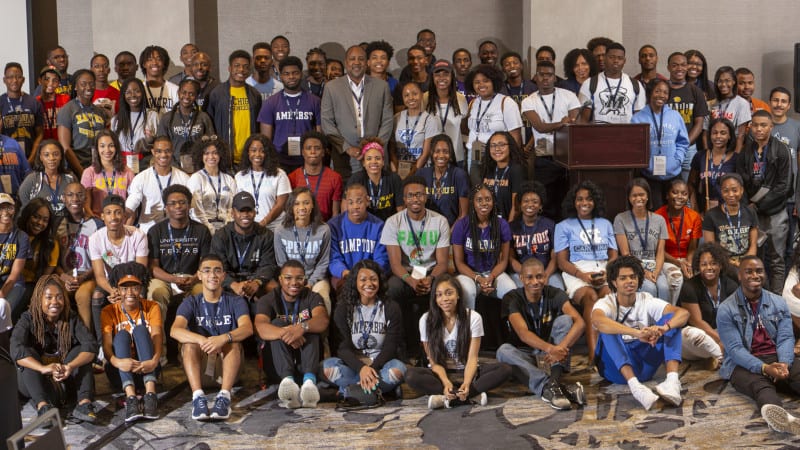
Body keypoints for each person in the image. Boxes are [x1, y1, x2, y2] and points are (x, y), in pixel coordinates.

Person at [592, 256, 688, 410]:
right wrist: (636, 333)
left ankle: (672, 381)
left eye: (633, 277)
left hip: (644, 366)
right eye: (623, 278)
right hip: (615, 369)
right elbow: (598, 322)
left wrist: (663, 328)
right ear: (614, 282)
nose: (629, 281)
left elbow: (683, 313)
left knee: (672, 319)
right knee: (608, 327)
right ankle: (635, 387)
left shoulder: (646, 299)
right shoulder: (606, 302)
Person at [717, 256, 800, 434]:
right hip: (743, 362)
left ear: (765, 274)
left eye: (759, 271)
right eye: (749, 271)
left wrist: (784, 363)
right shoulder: (726, 309)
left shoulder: (778, 302)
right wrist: (765, 368)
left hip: (776, 356)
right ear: (739, 276)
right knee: (761, 386)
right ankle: (782, 419)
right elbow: (735, 350)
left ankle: (782, 374)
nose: (755, 275)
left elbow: (786, 337)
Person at [405, 274, 511, 409]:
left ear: (458, 295)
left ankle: (450, 397)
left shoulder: (473, 317)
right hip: (441, 374)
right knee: (411, 376)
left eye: (449, 293)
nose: (445, 298)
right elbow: (433, 361)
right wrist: (445, 383)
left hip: (467, 371)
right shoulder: (426, 320)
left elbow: (473, 358)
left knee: (504, 369)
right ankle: (469, 395)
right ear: (435, 299)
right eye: (439, 295)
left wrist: (467, 382)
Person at [171, 255, 254, 421]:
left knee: (234, 342)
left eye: (217, 271)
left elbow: (247, 328)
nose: (213, 275)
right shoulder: (190, 302)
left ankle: (224, 397)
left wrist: (224, 338)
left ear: (224, 276)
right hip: (200, 368)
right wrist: (202, 339)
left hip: (226, 369)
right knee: (189, 344)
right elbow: (175, 330)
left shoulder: (236, 301)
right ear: (199, 275)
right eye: (207, 271)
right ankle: (198, 397)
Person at [496, 258, 585, 409]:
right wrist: (551, 349)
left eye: (539, 276)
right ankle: (552, 387)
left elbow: (580, 322)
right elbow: (523, 333)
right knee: (503, 351)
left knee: (565, 320)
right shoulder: (511, 298)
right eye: (530, 277)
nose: (535, 281)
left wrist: (560, 348)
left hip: (552, 356)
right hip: (527, 354)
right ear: (521, 279)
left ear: (545, 277)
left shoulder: (555, 293)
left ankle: (554, 380)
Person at [11, 275, 98, 422]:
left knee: (81, 350)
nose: (54, 302)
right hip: (39, 384)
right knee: (27, 353)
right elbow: (15, 348)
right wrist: (42, 368)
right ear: (39, 299)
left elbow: (91, 345)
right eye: (49, 297)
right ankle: (43, 408)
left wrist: (70, 366)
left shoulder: (70, 317)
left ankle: (84, 404)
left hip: (64, 380)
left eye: (59, 297)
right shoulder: (28, 318)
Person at [381, 175, 450, 358]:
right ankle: (399, 345)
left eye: (419, 194)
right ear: (404, 199)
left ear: (426, 196)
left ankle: (437, 346)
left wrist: (430, 278)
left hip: (432, 271)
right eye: (410, 195)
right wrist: (411, 280)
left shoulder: (440, 221)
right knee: (392, 289)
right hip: (406, 272)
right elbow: (395, 264)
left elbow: (443, 262)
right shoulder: (393, 222)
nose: (415, 199)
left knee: (443, 289)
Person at [322, 259, 406, 406]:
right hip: (354, 367)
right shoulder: (344, 308)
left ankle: (348, 390)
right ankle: (375, 391)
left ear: (380, 281)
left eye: (373, 279)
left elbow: (390, 347)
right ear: (355, 282)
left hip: (379, 367)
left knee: (399, 369)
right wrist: (361, 369)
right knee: (328, 367)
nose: (369, 284)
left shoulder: (391, 307)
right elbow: (342, 348)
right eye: (363, 279)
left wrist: (370, 370)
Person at [147, 184, 211, 363]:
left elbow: (206, 264)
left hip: (194, 278)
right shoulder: (156, 231)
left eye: (182, 202)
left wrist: (195, 277)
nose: (178, 207)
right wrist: (173, 279)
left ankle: (198, 351)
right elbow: (152, 268)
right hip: (165, 279)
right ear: (166, 208)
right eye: (173, 203)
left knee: (203, 293)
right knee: (156, 292)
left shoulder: (201, 231)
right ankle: (160, 352)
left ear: (189, 205)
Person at [555, 180, 618, 358]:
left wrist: (608, 271)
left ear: (595, 201)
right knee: (590, 297)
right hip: (576, 270)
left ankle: (612, 354)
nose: (585, 203)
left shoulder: (605, 223)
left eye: (589, 199)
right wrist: (582, 275)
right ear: (573, 202)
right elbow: (561, 262)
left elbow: (614, 255)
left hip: (604, 268)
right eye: (580, 199)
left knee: (608, 297)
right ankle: (594, 357)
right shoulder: (563, 226)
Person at [255, 260, 330, 409]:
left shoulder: (312, 297)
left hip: (306, 360)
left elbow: (322, 320)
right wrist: (288, 333)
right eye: (288, 278)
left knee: (311, 325)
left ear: (305, 280)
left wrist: (302, 327)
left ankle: (309, 383)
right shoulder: (268, 299)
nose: (294, 282)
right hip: (278, 365)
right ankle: (287, 383)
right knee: (276, 324)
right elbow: (260, 327)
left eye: (299, 278)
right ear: (280, 279)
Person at [736, 110, 791, 291]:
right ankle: (756, 297)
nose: (759, 129)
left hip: (775, 212)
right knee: (754, 258)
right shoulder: (746, 150)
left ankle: (775, 299)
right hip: (753, 213)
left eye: (763, 125)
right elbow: (741, 179)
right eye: (755, 125)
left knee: (776, 259)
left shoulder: (781, 149)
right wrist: (747, 206)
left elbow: (783, 186)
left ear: (771, 126)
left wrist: (759, 204)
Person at [321, 45, 394, 181]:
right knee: (347, 196)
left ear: (366, 63)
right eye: (352, 59)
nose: (356, 62)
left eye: (361, 59)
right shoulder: (331, 88)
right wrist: (347, 148)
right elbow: (327, 123)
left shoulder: (381, 86)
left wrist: (376, 147)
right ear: (346, 62)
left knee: (376, 196)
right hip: (344, 156)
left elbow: (388, 120)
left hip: (375, 157)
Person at [100, 262, 161, 422]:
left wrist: (154, 361)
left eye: (134, 287)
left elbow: (157, 337)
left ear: (141, 288)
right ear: (118, 290)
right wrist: (118, 362)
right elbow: (106, 346)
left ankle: (150, 395)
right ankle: (131, 398)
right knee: (121, 335)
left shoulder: (152, 307)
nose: (130, 292)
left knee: (140, 330)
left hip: (147, 367)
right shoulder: (108, 311)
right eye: (124, 288)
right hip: (121, 370)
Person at [88, 195, 149, 344]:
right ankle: (103, 345)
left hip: (134, 282)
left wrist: (125, 291)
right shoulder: (95, 239)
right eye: (108, 213)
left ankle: (142, 341)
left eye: (117, 212)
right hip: (111, 284)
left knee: (140, 295)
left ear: (124, 215)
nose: (113, 217)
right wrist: (112, 291)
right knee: (97, 296)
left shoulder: (138, 235)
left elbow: (141, 271)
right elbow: (100, 275)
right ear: (102, 216)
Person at [522, 60, 579, 216]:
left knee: (567, 202)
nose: (545, 78)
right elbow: (539, 126)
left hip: (567, 157)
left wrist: (557, 125)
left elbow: (574, 125)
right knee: (546, 204)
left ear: (555, 77)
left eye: (549, 75)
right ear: (535, 77)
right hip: (543, 158)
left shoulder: (569, 96)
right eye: (541, 75)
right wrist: (562, 123)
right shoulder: (528, 101)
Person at [210, 191, 278, 312]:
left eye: (249, 210)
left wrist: (257, 282)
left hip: (256, 280)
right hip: (230, 281)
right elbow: (218, 268)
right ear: (232, 213)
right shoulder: (221, 236)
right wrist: (233, 285)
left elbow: (268, 265)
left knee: (274, 287)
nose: (245, 214)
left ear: (255, 212)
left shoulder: (266, 235)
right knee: (213, 284)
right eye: (241, 211)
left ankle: (277, 323)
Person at [452, 184, 515, 309]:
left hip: (493, 273)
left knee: (511, 290)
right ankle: (469, 326)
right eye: (479, 200)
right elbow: (458, 262)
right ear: (473, 203)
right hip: (469, 274)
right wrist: (478, 278)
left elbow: (503, 260)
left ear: (493, 201)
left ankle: (509, 327)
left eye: (488, 199)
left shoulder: (502, 225)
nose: (484, 203)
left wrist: (491, 277)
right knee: (468, 291)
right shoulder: (461, 225)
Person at [274, 187, 332, 318]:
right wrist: (295, 281)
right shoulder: (280, 231)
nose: (302, 207)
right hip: (290, 279)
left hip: (316, 279)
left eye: (306, 203)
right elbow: (282, 263)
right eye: (297, 203)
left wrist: (310, 283)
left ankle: (323, 337)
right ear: (291, 207)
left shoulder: (324, 229)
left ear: (312, 206)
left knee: (323, 299)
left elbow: (323, 262)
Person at [258, 56, 322, 174]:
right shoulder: (270, 102)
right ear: (281, 76)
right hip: (279, 161)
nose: (291, 77)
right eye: (286, 74)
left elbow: (319, 134)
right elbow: (266, 140)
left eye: (295, 73)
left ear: (301, 74)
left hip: (307, 159)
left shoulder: (315, 101)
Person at [631, 79, 690, 208]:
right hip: (649, 176)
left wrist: (678, 160)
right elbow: (634, 146)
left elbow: (683, 142)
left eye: (665, 92)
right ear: (650, 93)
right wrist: (645, 164)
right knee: (656, 213)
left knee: (675, 210)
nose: (661, 95)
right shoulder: (637, 118)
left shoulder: (675, 116)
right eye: (657, 91)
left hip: (673, 173)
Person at [677, 243, 737, 367]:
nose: (709, 267)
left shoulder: (730, 285)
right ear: (698, 266)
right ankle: (722, 355)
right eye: (704, 264)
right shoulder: (689, 287)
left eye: (713, 263)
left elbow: (734, 318)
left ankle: (716, 356)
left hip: (719, 333)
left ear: (721, 264)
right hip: (696, 337)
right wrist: (722, 340)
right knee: (695, 336)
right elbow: (696, 321)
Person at [55, 182, 103, 330]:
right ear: (63, 198)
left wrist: (83, 278)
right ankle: (59, 339)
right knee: (54, 293)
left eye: (79, 195)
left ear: (85, 199)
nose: (74, 199)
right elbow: (52, 262)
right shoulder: (56, 223)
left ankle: (87, 340)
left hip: (89, 275)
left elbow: (102, 260)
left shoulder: (97, 224)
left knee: (82, 296)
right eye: (70, 195)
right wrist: (65, 277)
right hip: (64, 275)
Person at [613, 178, 670, 300]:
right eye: (634, 195)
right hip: (632, 266)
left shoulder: (659, 220)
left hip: (655, 266)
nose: (638, 198)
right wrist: (643, 271)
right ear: (629, 198)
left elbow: (660, 252)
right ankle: (648, 319)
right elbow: (625, 253)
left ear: (648, 196)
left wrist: (656, 272)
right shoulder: (620, 219)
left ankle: (666, 319)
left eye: (642, 194)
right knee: (650, 288)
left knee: (664, 288)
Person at [465, 64, 523, 182]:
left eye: (485, 81)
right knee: (477, 190)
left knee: (495, 190)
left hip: (497, 155)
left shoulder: (506, 102)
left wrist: (513, 161)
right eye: (477, 82)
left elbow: (515, 136)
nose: (481, 85)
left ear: (494, 82)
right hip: (474, 153)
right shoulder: (473, 103)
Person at [328, 183, 389, 290]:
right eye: (351, 202)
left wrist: (366, 277)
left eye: (359, 201)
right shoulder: (334, 226)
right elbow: (334, 259)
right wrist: (346, 273)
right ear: (346, 203)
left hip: (371, 275)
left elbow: (381, 259)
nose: (355, 206)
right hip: (344, 275)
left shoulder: (378, 226)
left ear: (367, 201)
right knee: (342, 286)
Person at [207, 50, 263, 167]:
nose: (241, 70)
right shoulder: (217, 93)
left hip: (249, 157)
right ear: (229, 68)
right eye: (237, 66)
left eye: (245, 67)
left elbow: (259, 125)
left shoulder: (254, 94)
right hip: (225, 158)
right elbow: (209, 124)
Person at [125, 136, 190, 233]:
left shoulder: (184, 178)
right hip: (148, 231)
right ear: (153, 152)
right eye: (159, 151)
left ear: (172, 151)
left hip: (178, 231)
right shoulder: (141, 178)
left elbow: (192, 208)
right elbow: (131, 205)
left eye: (167, 151)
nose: (163, 155)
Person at [509, 181, 563, 290]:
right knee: (519, 293)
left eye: (535, 201)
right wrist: (526, 274)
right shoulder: (511, 227)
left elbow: (555, 257)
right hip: (521, 273)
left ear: (540, 205)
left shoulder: (550, 225)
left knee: (558, 291)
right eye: (526, 201)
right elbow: (510, 258)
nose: (530, 205)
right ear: (520, 204)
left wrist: (546, 275)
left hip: (547, 272)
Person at [665, 52, 709, 183]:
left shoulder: (695, 91)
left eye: (683, 65)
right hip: (666, 146)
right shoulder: (662, 89)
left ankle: (688, 205)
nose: (679, 68)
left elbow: (699, 123)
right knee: (667, 185)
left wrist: (684, 144)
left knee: (687, 187)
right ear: (668, 67)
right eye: (675, 65)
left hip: (689, 148)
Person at [769, 87, 800, 263]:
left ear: (788, 105)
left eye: (783, 101)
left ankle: (782, 289)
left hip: (789, 198)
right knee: (767, 247)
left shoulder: (797, 127)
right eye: (775, 100)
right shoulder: (762, 125)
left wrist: (797, 199)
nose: (779, 104)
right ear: (770, 102)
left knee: (789, 248)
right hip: (768, 198)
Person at [157, 78, 215, 172]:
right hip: (174, 168)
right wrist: (174, 167)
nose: (187, 96)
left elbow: (211, 145)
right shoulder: (167, 118)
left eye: (191, 94)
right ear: (178, 93)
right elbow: (161, 147)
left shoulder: (203, 117)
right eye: (184, 92)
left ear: (196, 96)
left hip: (199, 168)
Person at [234, 133, 290, 230]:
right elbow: (236, 205)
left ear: (267, 153)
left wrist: (263, 223)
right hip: (248, 228)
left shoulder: (279, 174)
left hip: (275, 227)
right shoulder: (239, 176)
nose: (257, 154)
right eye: (253, 150)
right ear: (248, 152)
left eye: (262, 151)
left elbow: (281, 204)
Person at [579, 42, 645, 124]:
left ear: (624, 61)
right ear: (605, 58)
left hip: (627, 135)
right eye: (612, 57)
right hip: (598, 135)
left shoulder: (636, 85)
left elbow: (639, 120)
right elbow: (583, 120)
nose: (616, 61)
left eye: (620, 58)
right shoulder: (589, 84)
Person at [702, 173, 759, 267]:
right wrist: (732, 263)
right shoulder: (711, 215)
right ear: (721, 192)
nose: (731, 194)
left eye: (735, 190)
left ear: (742, 190)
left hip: (747, 262)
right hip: (723, 263)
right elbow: (711, 248)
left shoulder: (750, 212)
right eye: (726, 191)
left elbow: (753, 245)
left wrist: (744, 262)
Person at [655, 179, 702, 290]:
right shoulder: (657, 216)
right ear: (667, 195)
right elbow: (658, 250)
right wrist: (678, 263)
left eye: (684, 194)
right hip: (666, 259)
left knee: (700, 276)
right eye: (675, 192)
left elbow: (693, 247)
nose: (680, 196)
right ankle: (672, 307)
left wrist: (688, 263)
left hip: (688, 259)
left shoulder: (694, 216)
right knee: (676, 277)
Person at [57, 69, 106, 174]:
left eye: (91, 84)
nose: (88, 87)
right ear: (75, 87)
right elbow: (65, 148)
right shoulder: (68, 110)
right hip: (76, 168)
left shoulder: (99, 111)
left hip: (97, 167)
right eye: (83, 84)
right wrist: (82, 173)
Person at [287, 131, 342, 222]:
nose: (313, 152)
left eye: (317, 148)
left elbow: (335, 213)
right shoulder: (293, 177)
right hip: (299, 227)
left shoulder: (335, 178)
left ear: (323, 152)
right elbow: (289, 210)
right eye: (308, 148)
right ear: (303, 152)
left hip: (325, 227)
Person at [415, 134, 469, 226]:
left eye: (445, 151)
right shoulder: (422, 174)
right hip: (426, 231)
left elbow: (463, 214)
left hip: (452, 230)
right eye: (437, 151)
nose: (441, 155)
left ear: (451, 153)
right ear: (432, 152)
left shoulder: (459, 175)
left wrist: (449, 234)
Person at [187, 137, 237, 235]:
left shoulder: (229, 179)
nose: (211, 157)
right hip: (202, 230)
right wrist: (209, 229)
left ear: (220, 155)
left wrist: (227, 228)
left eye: (215, 153)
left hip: (226, 230)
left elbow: (233, 208)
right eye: (206, 153)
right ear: (201, 156)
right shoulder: (196, 178)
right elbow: (195, 211)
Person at [423, 60, 468, 167]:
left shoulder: (460, 99)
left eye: (446, 74)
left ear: (452, 77)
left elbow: (464, 127)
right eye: (437, 74)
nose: (441, 78)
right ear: (432, 78)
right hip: (432, 158)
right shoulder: (425, 98)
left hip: (456, 157)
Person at [81, 130, 134, 217]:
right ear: (97, 149)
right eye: (102, 146)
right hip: (97, 222)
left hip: (121, 222)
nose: (107, 150)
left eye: (111, 146)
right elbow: (86, 205)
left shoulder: (128, 172)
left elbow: (132, 205)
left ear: (116, 148)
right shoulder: (89, 173)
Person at [689, 118, 738, 212]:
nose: (718, 136)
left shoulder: (737, 159)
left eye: (723, 133)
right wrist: (695, 208)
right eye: (714, 133)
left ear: (730, 136)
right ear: (710, 135)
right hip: (705, 212)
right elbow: (691, 184)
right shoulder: (700, 156)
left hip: (728, 213)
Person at [18, 139, 76, 218]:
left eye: (55, 154)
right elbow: (23, 207)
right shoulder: (32, 179)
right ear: (41, 157)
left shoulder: (70, 178)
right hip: (40, 226)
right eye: (46, 155)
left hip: (65, 226)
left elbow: (77, 204)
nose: (51, 158)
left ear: (61, 156)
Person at [349, 138, 404, 221]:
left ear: (383, 161)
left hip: (389, 226)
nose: (374, 161)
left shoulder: (394, 179)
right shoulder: (356, 179)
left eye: (378, 158)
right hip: (365, 225)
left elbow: (401, 211)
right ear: (363, 162)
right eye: (369, 158)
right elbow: (347, 208)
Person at [391, 82, 440, 175]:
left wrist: (412, 173)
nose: (411, 98)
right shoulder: (396, 118)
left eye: (415, 94)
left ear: (421, 95)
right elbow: (392, 148)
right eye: (406, 95)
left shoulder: (429, 120)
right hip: (400, 169)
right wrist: (397, 169)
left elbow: (425, 154)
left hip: (420, 169)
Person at [112, 78, 159, 173]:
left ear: (143, 93)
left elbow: (158, 143)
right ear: (123, 95)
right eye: (128, 92)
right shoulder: (116, 120)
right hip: (122, 166)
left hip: (145, 165)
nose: (133, 95)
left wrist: (149, 140)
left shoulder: (152, 115)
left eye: (137, 91)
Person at [1, 62, 43, 160]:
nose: (14, 80)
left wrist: (32, 159)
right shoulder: (1, 103)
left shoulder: (34, 103)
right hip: (7, 159)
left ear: (23, 80)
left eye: (18, 77)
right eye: (10, 77)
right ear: (4, 80)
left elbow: (40, 134)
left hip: (31, 157)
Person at [480, 131, 525, 221]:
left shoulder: (516, 170)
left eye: (501, 145)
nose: (497, 149)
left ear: (510, 147)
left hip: (509, 224)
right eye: (493, 145)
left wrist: (507, 231)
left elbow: (516, 208)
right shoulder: (488, 168)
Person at [18, 199, 58, 301]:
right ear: (27, 215)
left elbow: (44, 278)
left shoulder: (51, 243)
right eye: (36, 217)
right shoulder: (15, 234)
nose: (40, 223)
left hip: (32, 285)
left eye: (45, 220)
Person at [0, 193, 30, 323]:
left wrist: (1, 294)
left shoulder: (22, 237)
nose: (5, 212)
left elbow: (14, 275)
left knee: (4, 310)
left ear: (14, 209)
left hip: (13, 282)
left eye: (9, 207)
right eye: (1, 208)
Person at [708, 66, 751, 153]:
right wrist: (707, 154)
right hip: (714, 150)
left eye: (727, 81)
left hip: (732, 150)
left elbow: (741, 135)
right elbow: (706, 132)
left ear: (734, 82)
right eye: (720, 81)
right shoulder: (711, 104)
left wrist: (735, 157)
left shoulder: (742, 103)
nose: (724, 84)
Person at [139, 45, 179, 121]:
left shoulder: (175, 89)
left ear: (164, 64)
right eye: (150, 59)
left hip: (168, 131)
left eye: (159, 59)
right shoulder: (139, 90)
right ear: (144, 64)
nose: (154, 62)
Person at [37, 65, 71, 141]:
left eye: (55, 80)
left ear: (59, 83)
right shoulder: (36, 102)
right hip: (43, 144)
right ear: (39, 81)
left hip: (61, 143)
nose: (50, 83)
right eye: (46, 79)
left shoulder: (65, 99)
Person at [393, 46, 430, 112]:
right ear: (408, 61)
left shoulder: (435, 83)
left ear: (426, 60)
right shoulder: (401, 87)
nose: (415, 61)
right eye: (411, 58)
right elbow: (399, 114)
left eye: (419, 58)